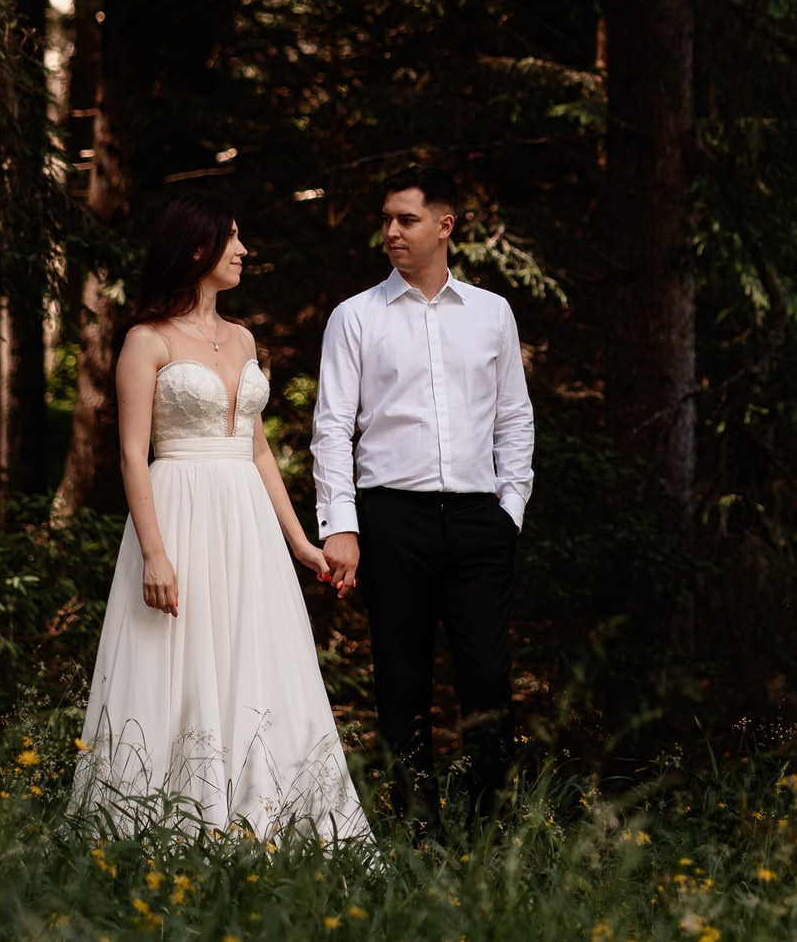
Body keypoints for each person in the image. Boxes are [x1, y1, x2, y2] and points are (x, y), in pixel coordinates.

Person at [71, 192, 371, 842]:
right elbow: (129, 453)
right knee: (176, 658)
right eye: (233, 238)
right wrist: (154, 551)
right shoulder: (145, 339)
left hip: (248, 520)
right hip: (178, 507)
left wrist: (300, 542)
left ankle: (260, 816)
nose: (243, 250)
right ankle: (162, 824)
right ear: (198, 248)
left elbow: (258, 446)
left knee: (254, 655)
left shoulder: (242, 337)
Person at [311, 162, 534, 833]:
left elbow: (514, 418)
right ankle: (418, 832)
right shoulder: (354, 316)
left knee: (488, 677)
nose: (391, 231)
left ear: (445, 225)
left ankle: (494, 831)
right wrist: (340, 525)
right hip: (391, 515)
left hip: (477, 519)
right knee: (401, 682)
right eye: (386, 219)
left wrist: (510, 507)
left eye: (406, 218)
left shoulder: (492, 313)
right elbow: (330, 425)